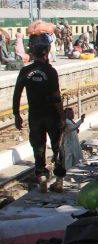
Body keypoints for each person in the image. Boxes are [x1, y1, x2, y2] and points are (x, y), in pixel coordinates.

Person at [12, 39, 65, 192]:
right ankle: (59, 180)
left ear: (33, 55)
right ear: (46, 54)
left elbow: (17, 94)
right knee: (57, 147)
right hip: (52, 116)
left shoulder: (25, 72)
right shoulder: (50, 71)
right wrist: (61, 117)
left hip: (35, 116)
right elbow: (56, 97)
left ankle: (42, 178)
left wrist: (16, 114)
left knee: (38, 148)